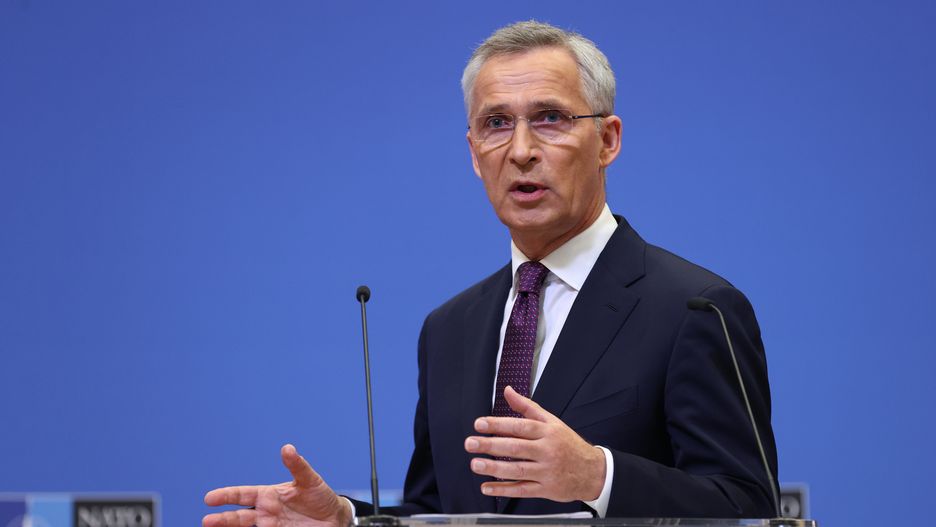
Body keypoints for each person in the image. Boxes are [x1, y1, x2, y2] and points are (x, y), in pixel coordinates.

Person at [202, 20, 778, 527]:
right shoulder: (449, 328)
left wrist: (597, 476)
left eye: (550, 118)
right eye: (497, 123)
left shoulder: (694, 308)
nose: (521, 150)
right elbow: (440, 513)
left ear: (607, 140)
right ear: (474, 152)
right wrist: (348, 522)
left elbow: (747, 507)